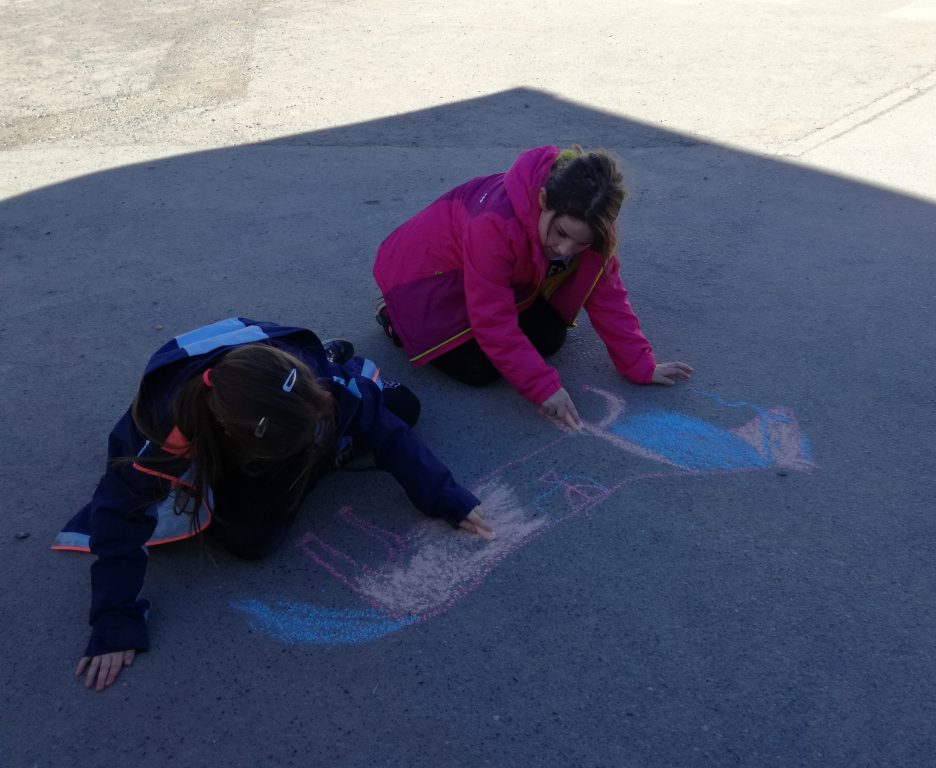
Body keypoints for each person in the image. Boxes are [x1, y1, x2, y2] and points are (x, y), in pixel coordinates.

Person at [53, 317, 492, 692]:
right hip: (246, 422)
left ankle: (334, 362)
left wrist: (445, 497)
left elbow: (387, 428)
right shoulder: (158, 433)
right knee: (251, 540)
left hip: (294, 373)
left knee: (402, 408)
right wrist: (115, 619)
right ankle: (323, 441)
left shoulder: (309, 382)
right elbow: (118, 514)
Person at [372, 145, 694, 430]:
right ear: (542, 200)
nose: (565, 249)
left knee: (550, 335)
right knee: (480, 370)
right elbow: (492, 321)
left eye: (580, 243)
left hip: (483, 274)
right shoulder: (494, 224)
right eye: (561, 233)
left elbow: (607, 294)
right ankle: (395, 318)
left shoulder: (592, 223)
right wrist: (543, 387)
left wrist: (639, 364)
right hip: (424, 278)